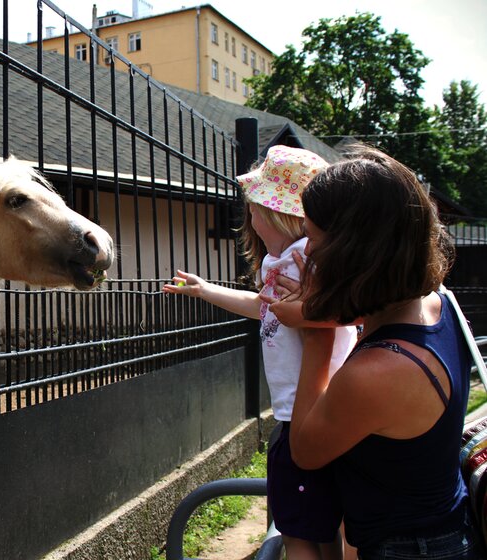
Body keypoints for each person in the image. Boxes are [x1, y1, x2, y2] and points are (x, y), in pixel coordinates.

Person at [274, 145, 483, 559]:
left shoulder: (377, 371)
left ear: (354, 251)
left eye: (313, 237)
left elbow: (306, 451)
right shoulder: (437, 302)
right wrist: (324, 307)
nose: (307, 251)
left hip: (410, 550)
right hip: (446, 530)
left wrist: (315, 333)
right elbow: (367, 309)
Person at [163, 145, 358, 560]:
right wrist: (205, 289)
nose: (248, 210)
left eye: (253, 203)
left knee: (297, 533)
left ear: (272, 213)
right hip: (322, 411)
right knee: (327, 524)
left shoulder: (301, 262)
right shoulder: (286, 261)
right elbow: (263, 307)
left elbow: (317, 320)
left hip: (304, 414)